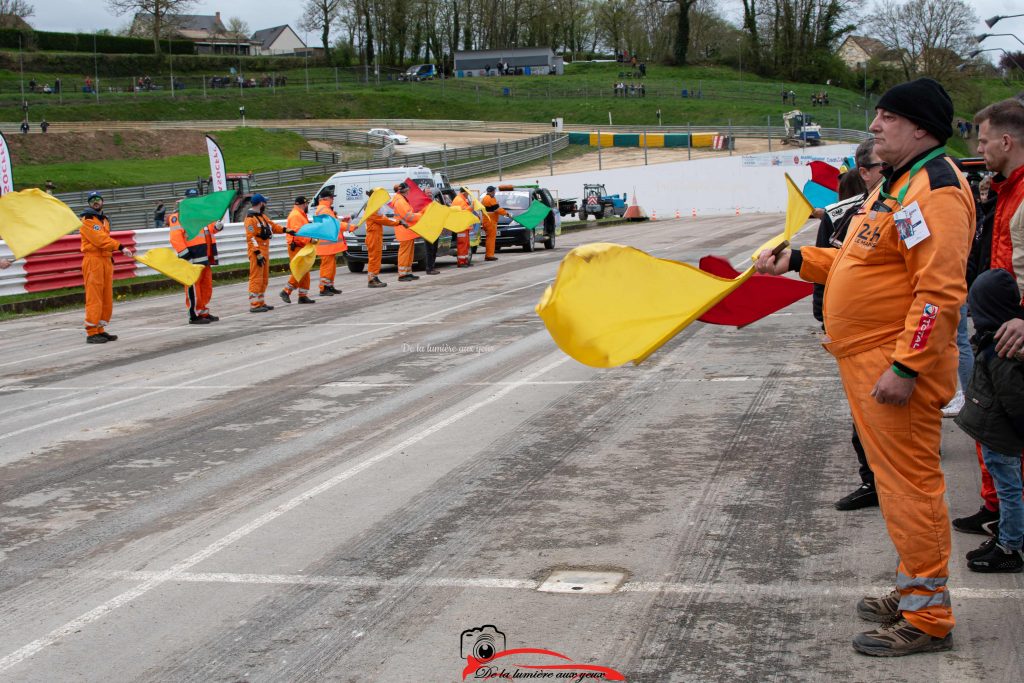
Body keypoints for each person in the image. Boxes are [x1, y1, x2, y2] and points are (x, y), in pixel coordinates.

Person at [755, 78, 974, 656]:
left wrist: (906, 368)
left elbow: (940, 292)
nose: (874, 126)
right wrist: (798, 258)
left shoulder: (938, 189)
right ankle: (913, 591)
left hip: (893, 360)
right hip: (866, 357)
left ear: (921, 127)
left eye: (887, 117)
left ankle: (927, 618)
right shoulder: (898, 185)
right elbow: (859, 261)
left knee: (908, 487)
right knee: (896, 484)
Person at [951, 98, 1024, 535]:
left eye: (983, 140)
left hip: (1012, 331)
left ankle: (1011, 525)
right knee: (990, 425)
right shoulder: (1004, 189)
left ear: (1006, 139)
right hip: (996, 326)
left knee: (1005, 429)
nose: (979, 149)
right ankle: (995, 507)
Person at [811, 138, 886, 511]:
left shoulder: (906, 205)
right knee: (864, 412)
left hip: (890, 334)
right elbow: (827, 270)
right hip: (854, 336)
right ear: (864, 172)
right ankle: (871, 479)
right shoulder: (840, 213)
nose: (886, 171)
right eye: (879, 166)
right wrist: (823, 314)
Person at [954, 268, 1024, 572]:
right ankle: (1006, 535)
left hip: (1002, 439)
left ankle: (1010, 546)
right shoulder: (992, 340)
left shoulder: (1002, 350)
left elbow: (1015, 400)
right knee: (1007, 489)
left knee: (1010, 491)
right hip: (996, 437)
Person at [80, 192, 134, 343]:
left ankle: (100, 328)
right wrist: (120, 246)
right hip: (93, 260)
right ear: (89, 204)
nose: (95, 202)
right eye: (92, 201)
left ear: (102, 201)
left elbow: (105, 240)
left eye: (98, 199)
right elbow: (100, 240)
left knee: (106, 296)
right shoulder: (87, 219)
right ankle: (91, 332)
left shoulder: (104, 219)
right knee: (94, 296)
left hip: (105, 260)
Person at [168, 188, 224, 324]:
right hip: (191, 257)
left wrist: (217, 226)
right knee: (193, 286)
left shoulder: (200, 214)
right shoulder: (178, 216)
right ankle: (193, 315)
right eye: (191, 198)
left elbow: (209, 230)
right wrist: (185, 255)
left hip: (204, 255)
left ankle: (203, 311)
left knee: (206, 286)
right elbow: (175, 238)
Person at [244, 193, 287, 312]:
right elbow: (250, 237)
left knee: (264, 278)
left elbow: (273, 227)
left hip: (264, 251)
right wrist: (257, 253)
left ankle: (261, 302)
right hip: (256, 252)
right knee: (256, 278)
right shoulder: (250, 219)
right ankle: (254, 304)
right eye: (265, 202)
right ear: (261, 203)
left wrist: (286, 230)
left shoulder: (262, 217)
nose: (266, 205)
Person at [280, 196, 317, 304]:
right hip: (296, 246)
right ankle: (286, 291)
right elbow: (298, 233)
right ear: (303, 204)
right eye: (306, 204)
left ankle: (303, 295)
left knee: (304, 270)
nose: (307, 206)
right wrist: (310, 239)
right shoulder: (296, 215)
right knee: (300, 269)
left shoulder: (299, 214)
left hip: (301, 246)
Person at [364, 189, 402, 287]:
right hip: (373, 237)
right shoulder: (371, 208)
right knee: (374, 259)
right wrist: (398, 222)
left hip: (375, 236)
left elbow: (383, 218)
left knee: (376, 258)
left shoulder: (374, 207)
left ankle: (374, 277)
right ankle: (372, 279)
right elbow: (383, 219)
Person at [314, 189, 344, 297]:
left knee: (331, 267)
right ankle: (324, 288)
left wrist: (344, 221)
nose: (333, 199)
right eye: (332, 198)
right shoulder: (324, 210)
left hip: (329, 244)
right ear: (326, 199)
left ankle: (329, 286)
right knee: (327, 267)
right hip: (326, 245)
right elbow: (334, 225)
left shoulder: (325, 209)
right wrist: (350, 226)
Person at [391, 182, 422, 282]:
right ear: (405, 190)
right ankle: (403, 274)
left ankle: (408, 272)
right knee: (405, 253)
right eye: (408, 190)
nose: (409, 191)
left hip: (407, 231)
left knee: (408, 253)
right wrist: (420, 215)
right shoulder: (400, 201)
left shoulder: (401, 199)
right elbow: (408, 216)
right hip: (404, 231)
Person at [480, 186, 507, 262]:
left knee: (489, 239)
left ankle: (489, 255)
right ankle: (489, 255)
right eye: (494, 191)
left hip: (487, 221)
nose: (495, 192)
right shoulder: (490, 199)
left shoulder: (485, 198)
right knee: (491, 239)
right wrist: (506, 213)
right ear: (491, 191)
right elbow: (497, 209)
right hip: (490, 221)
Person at [451, 187, 476, 268]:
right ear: (464, 192)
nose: (468, 194)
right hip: (461, 226)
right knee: (462, 244)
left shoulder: (461, 199)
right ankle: (461, 262)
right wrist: (471, 207)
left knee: (466, 244)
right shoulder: (459, 200)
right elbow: (464, 212)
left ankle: (465, 261)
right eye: (467, 193)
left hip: (464, 226)